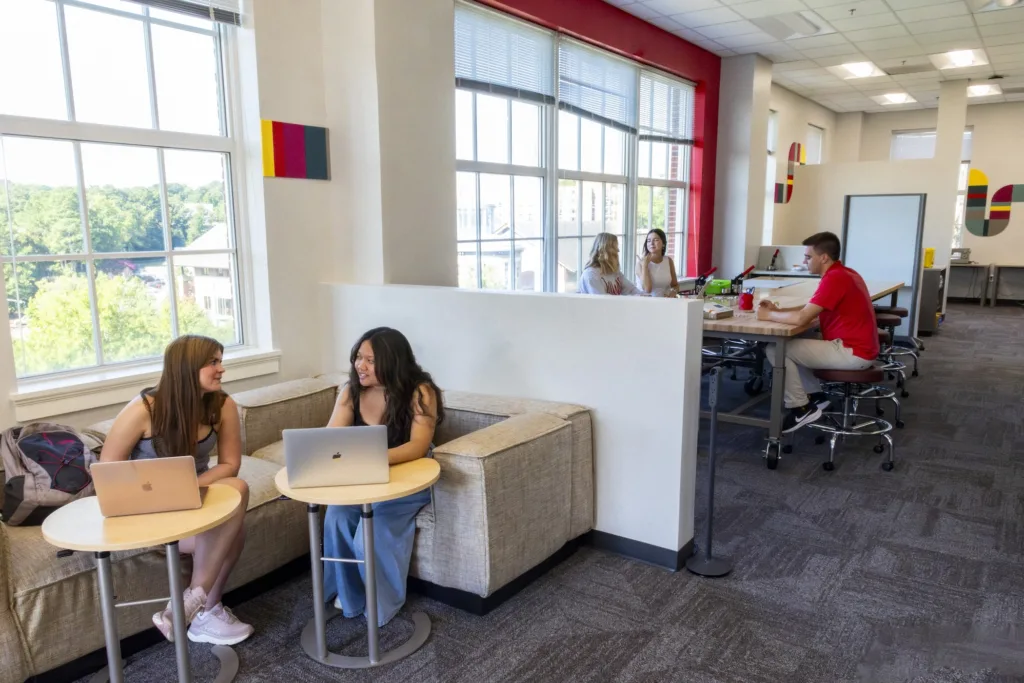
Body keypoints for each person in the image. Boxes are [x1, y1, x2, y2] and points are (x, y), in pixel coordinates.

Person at [99, 335, 253, 645]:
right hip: (148, 508)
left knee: (237, 488)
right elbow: (107, 471)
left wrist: (188, 487)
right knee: (231, 529)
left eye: (220, 361)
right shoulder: (144, 409)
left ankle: (191, 604)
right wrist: (172, 490)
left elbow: (230, 466)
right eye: (213, 362)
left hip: (195, 498)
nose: (221, 369)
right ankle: (206, 609)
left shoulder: (222, 404)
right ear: (186, 367)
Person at [323, 327, 444, 627]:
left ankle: (382, 607)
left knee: (370, 535)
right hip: (364, 479)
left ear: (392, 362)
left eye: (370, 360)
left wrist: (370, 459)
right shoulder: (351, 391)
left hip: (406, 480)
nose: (360, 366)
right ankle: (351, 599)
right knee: (336, 517)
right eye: (358, 358)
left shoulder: (420, 391)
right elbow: (330, 438)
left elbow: (418, 445)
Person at [756, 231, 879, 433]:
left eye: (808, 257)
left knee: (775, 349)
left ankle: (800, 407)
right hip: (859, 347)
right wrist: (778, 311)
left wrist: (767, 316)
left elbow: (803, 318)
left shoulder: (835, 278)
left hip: (853, 352)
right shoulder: (844, 273)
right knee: (799, 339)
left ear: (823, 257)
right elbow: (811, 309)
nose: (805, 261)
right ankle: (816, 397)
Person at [577, 232, 651, 296]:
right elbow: (603, 302)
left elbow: (631, 290)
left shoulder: (614, 271)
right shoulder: (591, 274)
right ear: (604, 250)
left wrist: (645, 297)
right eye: (614, 247)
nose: (618, 250)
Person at [636, 228, 679, 297]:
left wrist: (672, 293)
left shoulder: (668, 261)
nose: (651, 243)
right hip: (646, 303)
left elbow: (675, 285)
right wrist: (645, 266)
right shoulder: (640, 264)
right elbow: (647, 289)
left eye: (656, 240)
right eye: (649, 241)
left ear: (663, 243)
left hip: (666, 302)